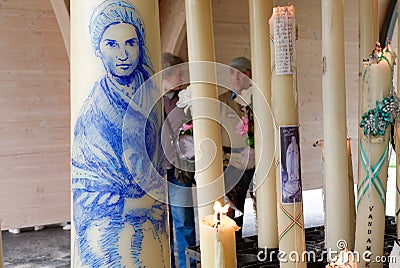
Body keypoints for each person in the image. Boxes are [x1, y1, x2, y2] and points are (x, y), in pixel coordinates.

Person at [71, 1, 167, 266]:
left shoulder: (149, 94)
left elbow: (157, 163)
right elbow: (85, 192)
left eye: (130, 43)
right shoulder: (93, 112)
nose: (123, 54)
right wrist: (139, 205)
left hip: (152, 234)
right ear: (98, 50)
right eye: (111, 44)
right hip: (108, 237)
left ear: (140, 45)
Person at [161, 52, 196, 268]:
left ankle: (187, 266)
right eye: (179, 73)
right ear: (166, 74)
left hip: (179, 171)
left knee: (184, 223)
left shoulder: (187, 99)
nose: (183, 77)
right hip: (156, 172)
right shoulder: (151, 100)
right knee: (161, 225)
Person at [219, 56, 255, 238]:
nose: (236, 77)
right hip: (232, 164)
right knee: (232, 212)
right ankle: (232, 249)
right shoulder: (222, 101)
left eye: (241, 73)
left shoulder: (259, 100)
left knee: (265, 211)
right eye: (232, 73)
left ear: (249, 75)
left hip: (257, 163)